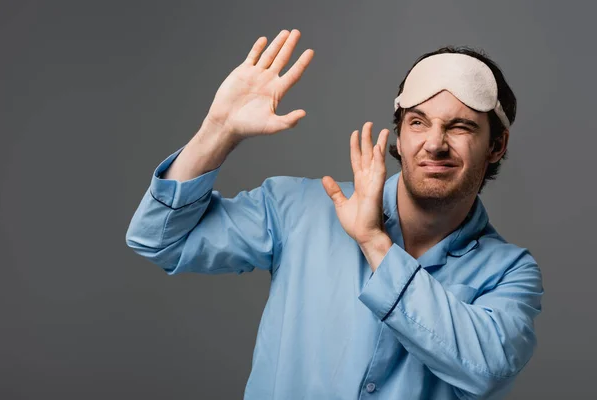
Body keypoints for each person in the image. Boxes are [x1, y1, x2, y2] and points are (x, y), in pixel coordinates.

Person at [125, 28, 543, 400]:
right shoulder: (299, 209)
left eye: (460, 127)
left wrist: (374, 243)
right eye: (418, 122)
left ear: (497, 145)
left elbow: (486, 371)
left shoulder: (510, 273)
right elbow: (158, 239)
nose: (434, 144)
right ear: (399, 134)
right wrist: (218, 130)